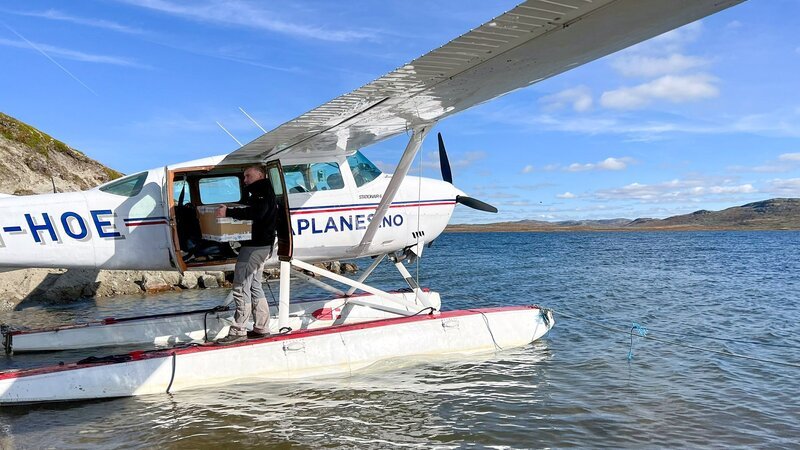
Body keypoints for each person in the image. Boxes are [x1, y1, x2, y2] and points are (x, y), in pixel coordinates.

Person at [215, 165, 278, 344]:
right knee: (255, 285)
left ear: (259, 175)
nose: (245, 180)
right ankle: (261, 327)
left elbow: (256, 213)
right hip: (262, 246)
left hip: (254, 248)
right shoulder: (264, 192)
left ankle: (238, 330)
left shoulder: (261, 193)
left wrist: (228, 212)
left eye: (248, 176)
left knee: (241, 286)